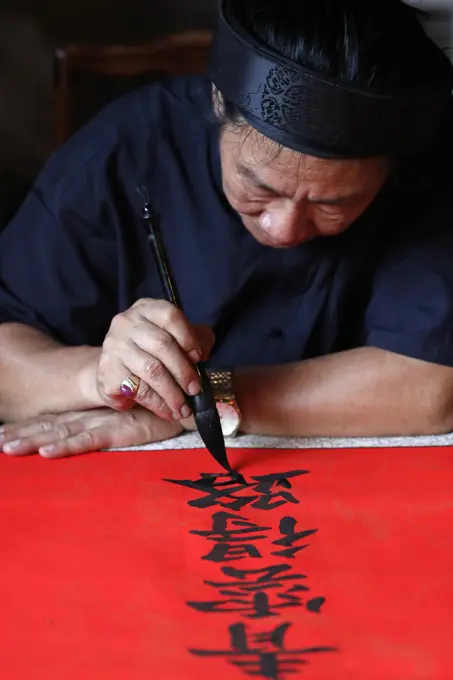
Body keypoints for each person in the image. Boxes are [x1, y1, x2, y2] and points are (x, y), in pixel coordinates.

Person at [0, 0, 453, 458]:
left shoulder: (424, 174)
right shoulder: (126, 150)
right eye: (257, 190)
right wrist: (104, 378)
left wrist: (195, 403)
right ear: (218, 100)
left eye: (331, 203)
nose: (283, 229)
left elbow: (431, 387)